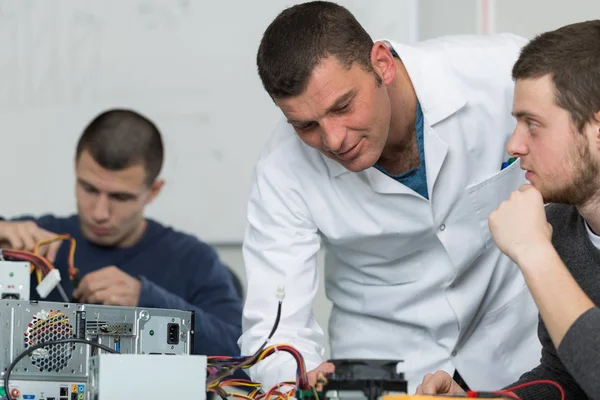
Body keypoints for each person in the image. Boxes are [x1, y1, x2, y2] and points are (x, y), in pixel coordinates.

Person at [239, 0, 541, 392]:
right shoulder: (282, 169)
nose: (333, 140)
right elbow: (275, 323)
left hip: (518, 351)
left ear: (382, 62)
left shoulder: (502, 72)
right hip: (387, 366)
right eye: (306, 125)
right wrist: (295, 383)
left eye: (343, 106)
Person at [415, 20, 600, 399]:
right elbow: (565, 376)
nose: (513, 145)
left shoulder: (542, 242)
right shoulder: (561, 227)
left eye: (533, 124)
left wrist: (534, 252)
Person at [0, 108, 243, 357]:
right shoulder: (33, 242)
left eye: (120, 197)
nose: (100, 212)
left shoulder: (193, 260)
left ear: (153, 190)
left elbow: (241, 357)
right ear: (75, 168)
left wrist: (147, 301)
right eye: (89, 189)